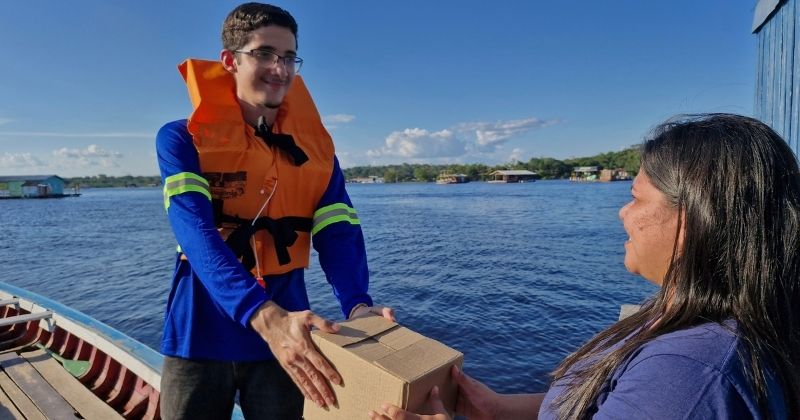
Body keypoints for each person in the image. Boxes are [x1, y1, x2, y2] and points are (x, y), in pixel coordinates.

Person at [370, 114, 799, 420]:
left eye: (635, 197)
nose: (622, 214)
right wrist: (500, 409)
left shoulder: (688, 376)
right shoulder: (697, 325)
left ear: (690, 221)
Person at [155, 3, 394, 419]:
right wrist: (263, 316)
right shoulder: (180, 138)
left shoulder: (318, 152)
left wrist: (357, 304)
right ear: (230, 60)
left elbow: (338, 231)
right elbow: (194, 230)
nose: (279, 69)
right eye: (264, 54)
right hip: (200, 336)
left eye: (288, 58)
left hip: (288, 340)